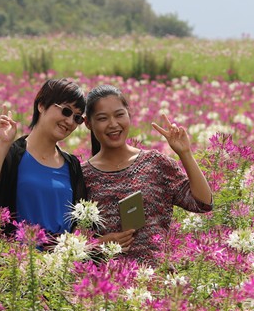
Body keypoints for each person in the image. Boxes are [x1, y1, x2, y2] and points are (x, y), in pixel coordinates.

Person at [81, 85, 213, 264]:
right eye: (102, 118)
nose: (113, 124)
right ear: (88, 123)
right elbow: (72, 241)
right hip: (109, 284)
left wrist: (185, 153)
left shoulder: (155, 163)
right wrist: (98, 244)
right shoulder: (82, 175)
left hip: (159, 283)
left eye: (119, 115)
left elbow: (203, 203)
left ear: (129, 115)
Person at [0, 78, 88, 240]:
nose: (69, 121)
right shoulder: (12, 153)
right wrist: (3, 143)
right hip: (12, 261)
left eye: (77, 118)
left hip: (58, 263)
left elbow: (77, 222)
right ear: (41, 105)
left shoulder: (72, 165)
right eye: (66, 111)